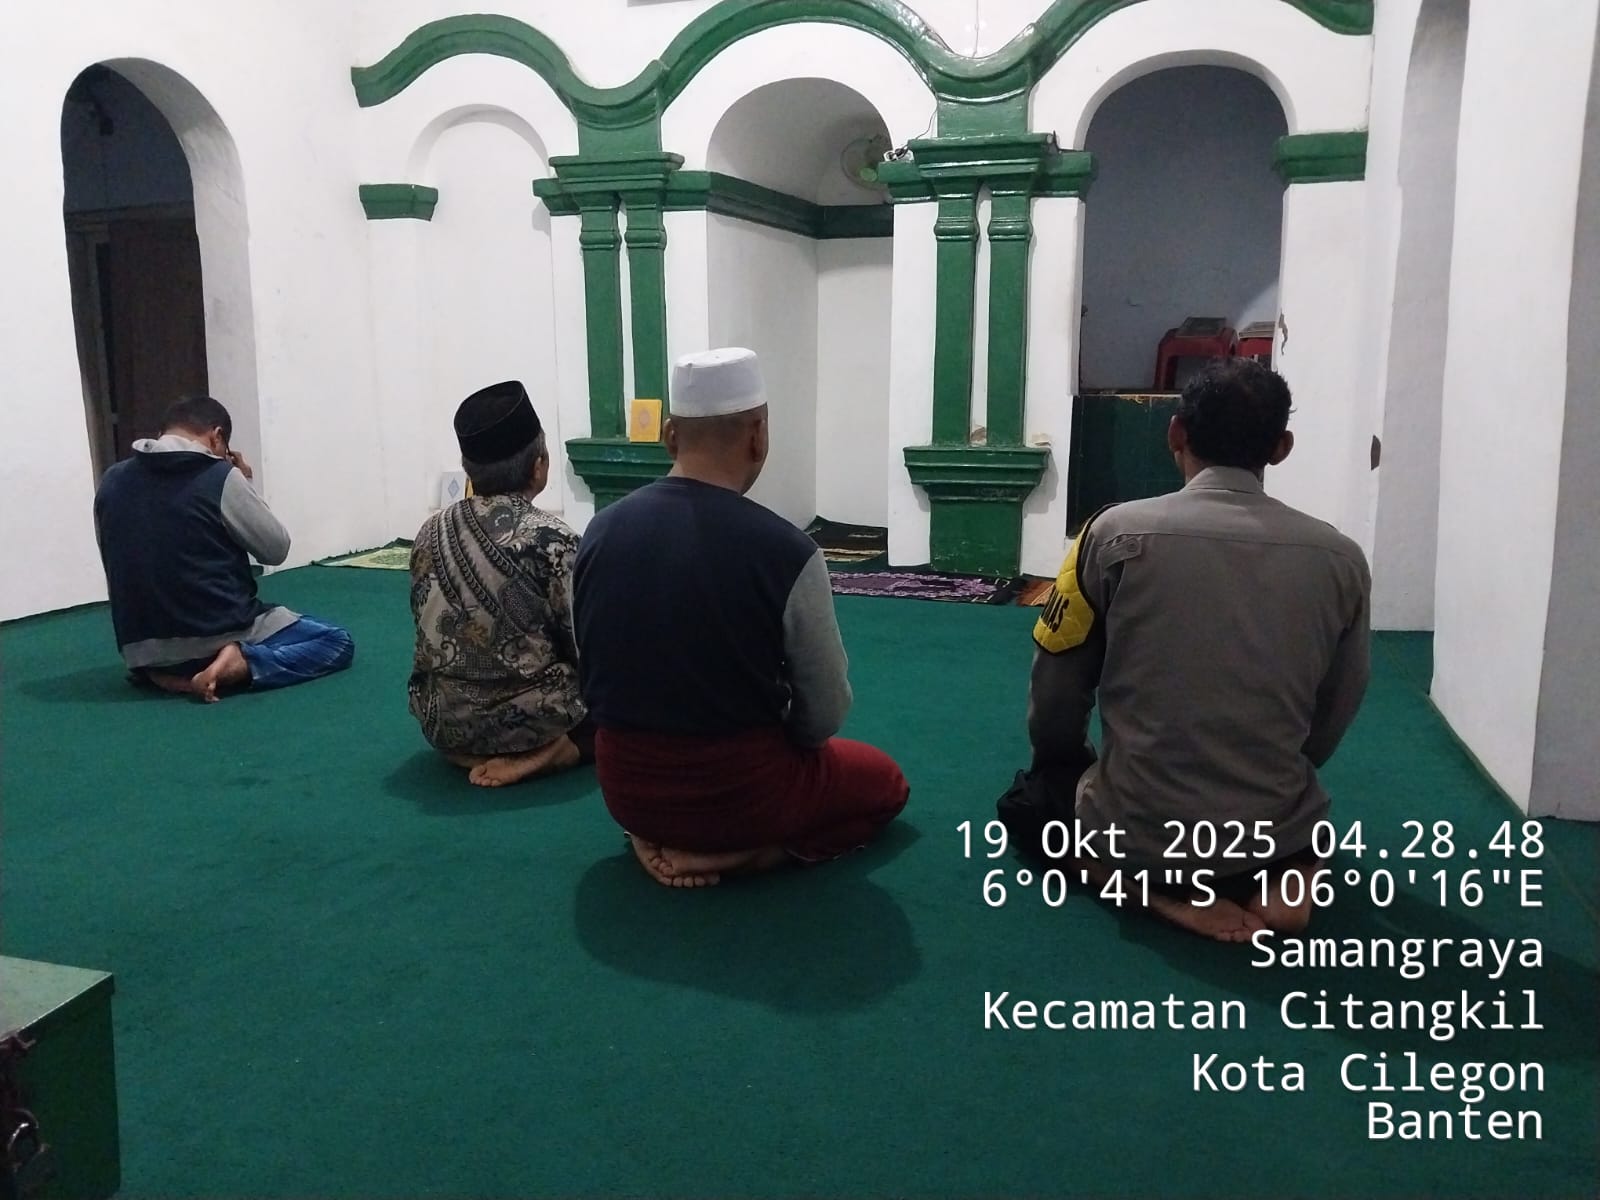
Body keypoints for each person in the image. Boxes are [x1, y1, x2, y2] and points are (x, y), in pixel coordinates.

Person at [1001, 359, 1370, 941]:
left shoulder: (1112, 533)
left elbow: (1057, 693)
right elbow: (1338, 703)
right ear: (1282, 447)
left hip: (1138, 831)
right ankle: (1285, 882)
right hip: (1270, 827)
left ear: (1176, 432)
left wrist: (1064, 762)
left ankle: (1150, 892)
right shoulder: (1342, 558)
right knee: (1295, 814)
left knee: (1028, 803)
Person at [573, 347, 909, 887]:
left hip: (625, 792)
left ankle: (654, 835)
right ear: (759, 437)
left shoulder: (598, 533)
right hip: (742, 797)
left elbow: (591, 674)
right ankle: (749, 856)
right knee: (886, 782)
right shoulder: (788, 550)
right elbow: (824, 714)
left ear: (670, 436)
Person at [94, 395, 354, 701]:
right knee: (335, 642)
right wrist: (243, 483)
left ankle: (167, 677)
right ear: (217, 437)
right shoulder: (217, 476)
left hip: (140, 649)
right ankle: (239, 664)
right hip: (216, 634)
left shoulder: (111, 480)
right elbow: (275, 548)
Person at [408, 380, 590, 788]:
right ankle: (559, 751)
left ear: (468, 468)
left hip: (442, 721)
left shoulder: (428, 532)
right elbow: (586, 649)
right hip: (534, 724)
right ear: (539, 465)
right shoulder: (553, 539)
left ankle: (468, 753)